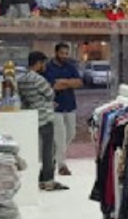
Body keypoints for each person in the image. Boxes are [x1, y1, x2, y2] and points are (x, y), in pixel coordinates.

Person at [18, 51, 68, 191]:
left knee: (40, 148)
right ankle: (48, 180)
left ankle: (42, 178)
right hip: (45, 117)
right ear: (38, 63)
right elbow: (50, 94)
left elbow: (25, 98)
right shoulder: (38, 79)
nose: (45, 66)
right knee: (48, 150)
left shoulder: (21, 79)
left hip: (32, 116)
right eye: (43, 63)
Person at [45, 42, 83, 176]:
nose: (65, 56)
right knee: (60, 136)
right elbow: (53, 86)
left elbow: (79, 83)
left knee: (71, 133)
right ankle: (62, 165)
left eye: (67, 53)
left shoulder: (70, 66)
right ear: (56, 53)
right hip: (55, 106)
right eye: (62, 53)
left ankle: (54, 156)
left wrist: (63, 82)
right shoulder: (48, 67)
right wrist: (69, 82)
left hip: (70, 105)